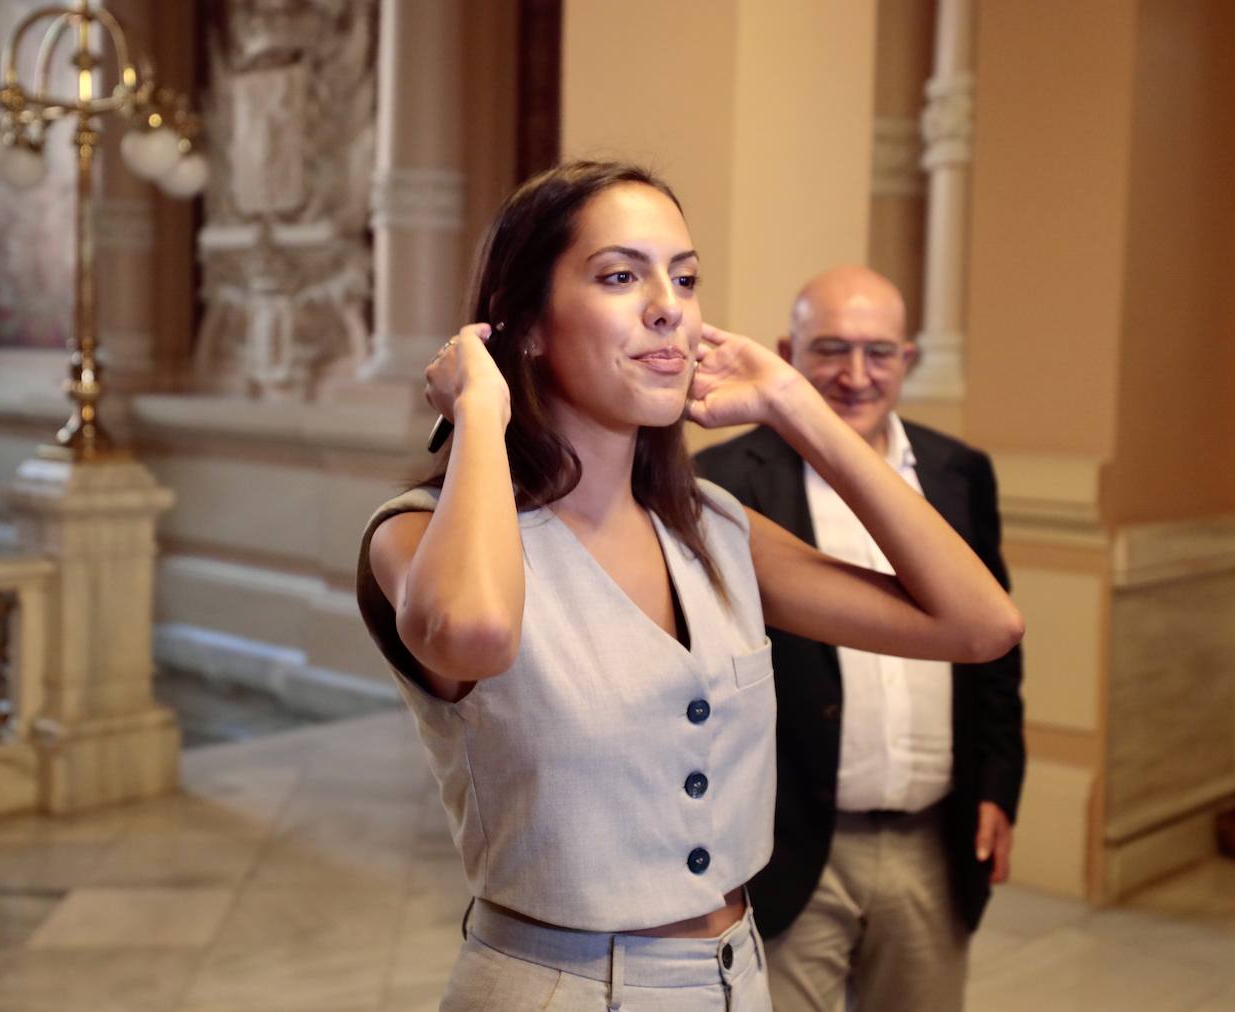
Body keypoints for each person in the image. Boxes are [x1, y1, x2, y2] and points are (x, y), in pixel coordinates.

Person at [356, 164, 1022, 1012]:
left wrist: (793, 403)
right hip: (555, 986)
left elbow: (982, 623)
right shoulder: (415, 535)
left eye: (686, 276)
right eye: (621, 275)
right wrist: (482, 410)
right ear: (524, 323)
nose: (668, 303)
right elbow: (477, 633)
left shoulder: (713, 527)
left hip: (737, 981)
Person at [695, 266, 1026, 1012]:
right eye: (830, 350)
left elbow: (999, 653)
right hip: (790, 843)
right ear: (788, 351)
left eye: (879, 353)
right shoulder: (724, 479)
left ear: (907, 359)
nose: (854, 375)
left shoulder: (959, 472)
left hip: (931, 844)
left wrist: (1000, 786)